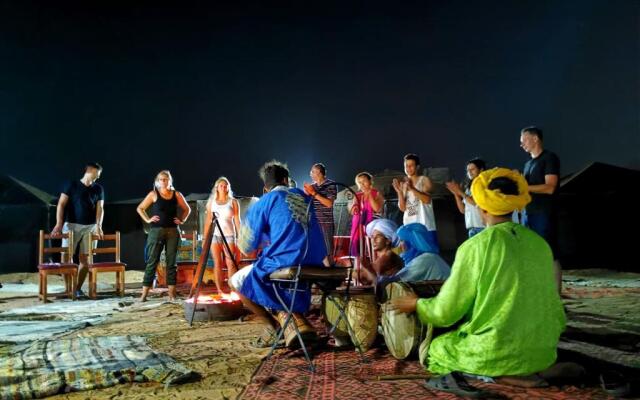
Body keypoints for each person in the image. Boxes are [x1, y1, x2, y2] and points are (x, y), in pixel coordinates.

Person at [390, 168, 565, 397]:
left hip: (497, 349)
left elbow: (446, 311)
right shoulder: (539, 243)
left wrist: (418, 304)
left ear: (482, 208)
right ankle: (535, 365)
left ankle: (498, 372)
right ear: (514, 205)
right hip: (545, 348)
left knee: (435, 350)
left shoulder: (476, 246)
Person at [230, 160, 326, 348]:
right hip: (316, 261)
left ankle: (273, 327)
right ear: (286, 180)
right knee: (276, 270)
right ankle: (292, 319)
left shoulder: (264, 202)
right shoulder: (305, 196)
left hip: (287, 262)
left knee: (235, 282)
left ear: (265, 188)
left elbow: (246, 246)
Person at [51, 162, 105, 298]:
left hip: (90, 226)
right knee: (65, 256)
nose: (99, 177)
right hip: (71, 225)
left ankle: (77, 288)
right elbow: (61, 204)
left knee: (86, 259)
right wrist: (58, 224)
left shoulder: (98, 189)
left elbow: (100, 208)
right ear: (91, 170)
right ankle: (68, 288)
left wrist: (99, 225)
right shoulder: (71, 185)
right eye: (98, 173)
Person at [136, 170, 191, 302]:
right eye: (161, 179)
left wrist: (182, 220)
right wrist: (148, 220)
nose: (163, 181)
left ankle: (172, 295)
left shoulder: (176, 194)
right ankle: (144, 295)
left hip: (173, 231)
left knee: (171, 263)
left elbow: (187, 209)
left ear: (169, 181)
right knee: (152, 262)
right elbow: (140, 208)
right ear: (157, 181)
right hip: (156, 231)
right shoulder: (153, 194)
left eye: (165, 179)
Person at [520, 126, 562, 292]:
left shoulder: (549, 158)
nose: (521, 144)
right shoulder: (527, 163)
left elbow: (550, 187)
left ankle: (556, 299)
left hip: (543, 212)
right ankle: (542, 295)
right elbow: (525, 189)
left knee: (550, 253)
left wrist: (524, 186)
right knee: (534, 254)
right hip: (527, 213)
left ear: (535, 138)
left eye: (523, 140)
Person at [205, 177, 241, 294]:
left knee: (231, 262)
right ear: (217, 188)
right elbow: (208, 220)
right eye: (221, 185)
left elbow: (237, 220)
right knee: (217, 263)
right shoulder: (211, 202)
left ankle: (232, 289)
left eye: (225, 186)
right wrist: (206, 238)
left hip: (229, 235)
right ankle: (219, 290)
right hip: (215, 235)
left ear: (228, 188)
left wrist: (240, 236)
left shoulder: (233, 202)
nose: (223, 187)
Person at [392, 153, 437, 242]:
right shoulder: (403, 185)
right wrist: (400, 193)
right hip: (410, 225)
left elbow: (427, 200)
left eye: (411, 165)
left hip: (425, 225)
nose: (408, 168)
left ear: (417, 167)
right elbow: (402, 208)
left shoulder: (424, 180)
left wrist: (412, 189)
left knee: (428, 254)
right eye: (406, 166)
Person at [303, 163, 337, 264]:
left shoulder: (330, 184)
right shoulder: (312, 186)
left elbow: (329, 203)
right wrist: (306, 193)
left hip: (325, 223)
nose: (310, 174)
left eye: (312, 171)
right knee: (316, 251)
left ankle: (332, 276)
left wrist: (314, 193)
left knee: (328, 251)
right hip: (313, 224)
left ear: (319, 172)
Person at [446, 158, 486, 238]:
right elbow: (463, 210)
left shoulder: (484, 184)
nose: (469, 172)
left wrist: (460, 192)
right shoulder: (469, 188)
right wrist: (456, 194)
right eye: (468, 170)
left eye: (472, 169)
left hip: (482, 227)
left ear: (481, 170)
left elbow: (477, 203)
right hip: (471, 229)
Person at [349, 172, 384, 262]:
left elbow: (377, 208)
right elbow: (352, 211)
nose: (362, 184)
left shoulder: (376, 193)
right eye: (359, 182)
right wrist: (354, 208)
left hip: (374, 224)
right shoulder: (357, 196)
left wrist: (369, 196)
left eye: (364, 181)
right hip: (360, 225)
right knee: (359, 246)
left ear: (370, 181)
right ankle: (359, 266)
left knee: (373, 246)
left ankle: (375, 265)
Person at [359, 219, 404, 285]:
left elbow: (377, 280)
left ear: (388, 240)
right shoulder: (381, 258)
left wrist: (368, 270)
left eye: (377, 237)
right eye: (372, 237)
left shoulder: (390, 257)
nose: (373, 240)